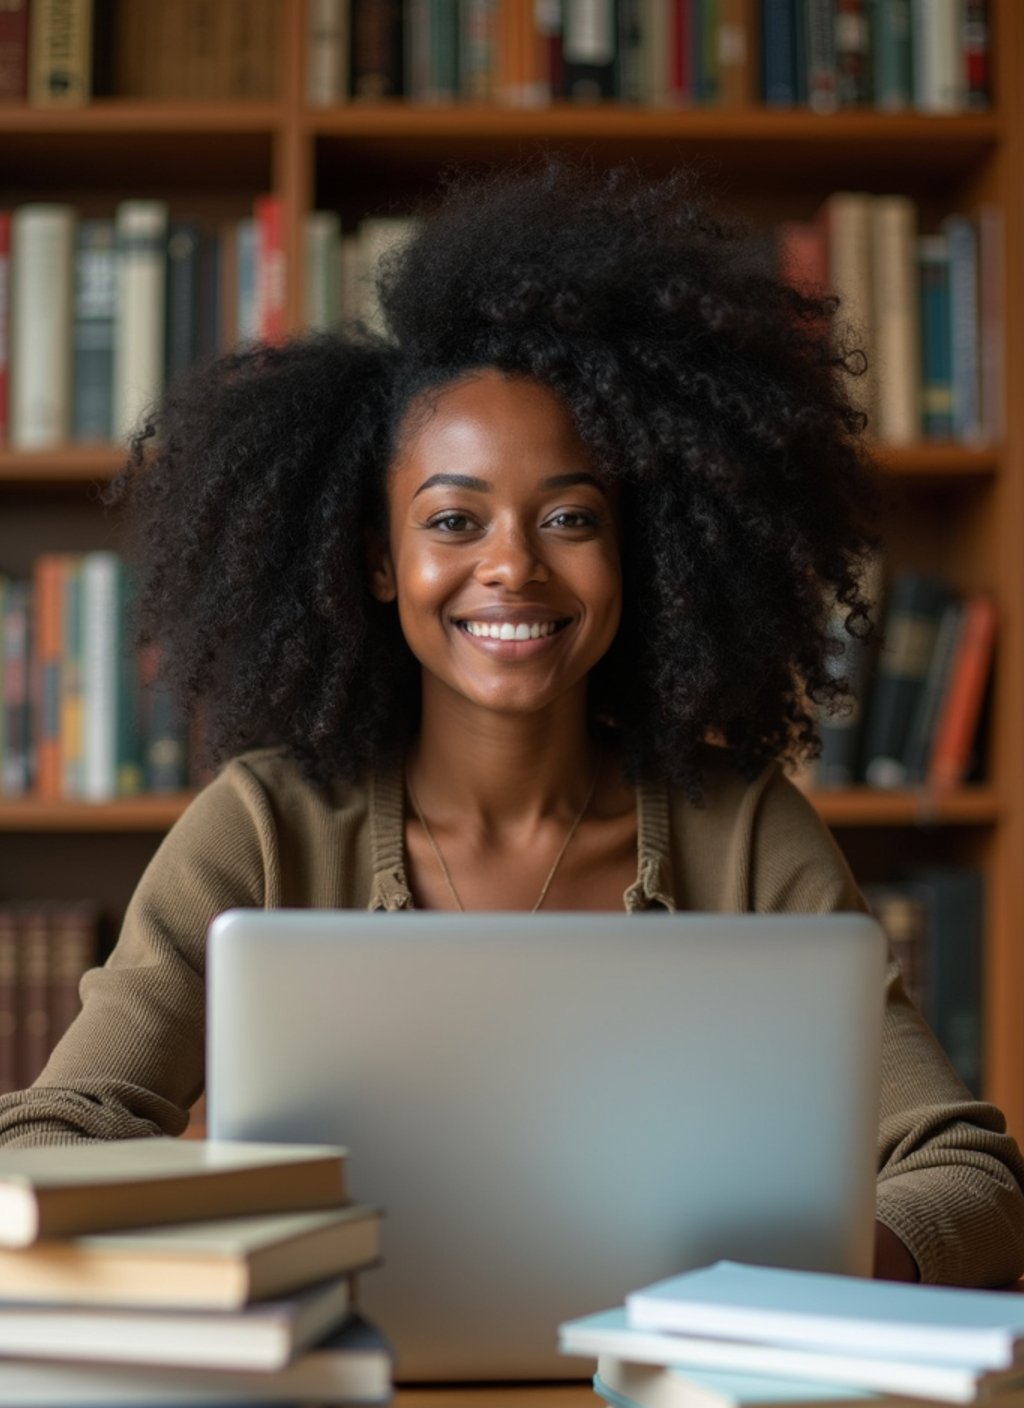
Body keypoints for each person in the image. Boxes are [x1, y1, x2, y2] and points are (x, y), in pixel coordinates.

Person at [0, 162, 1021, 1289]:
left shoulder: (743, 834)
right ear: (382, 562)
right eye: (454, 518)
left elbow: (967, 1175)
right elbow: (45, 1141)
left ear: (645, 551)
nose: (512, 567)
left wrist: (798, 1277)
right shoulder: (262, 826)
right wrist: (233, 1266)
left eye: (571, 517)